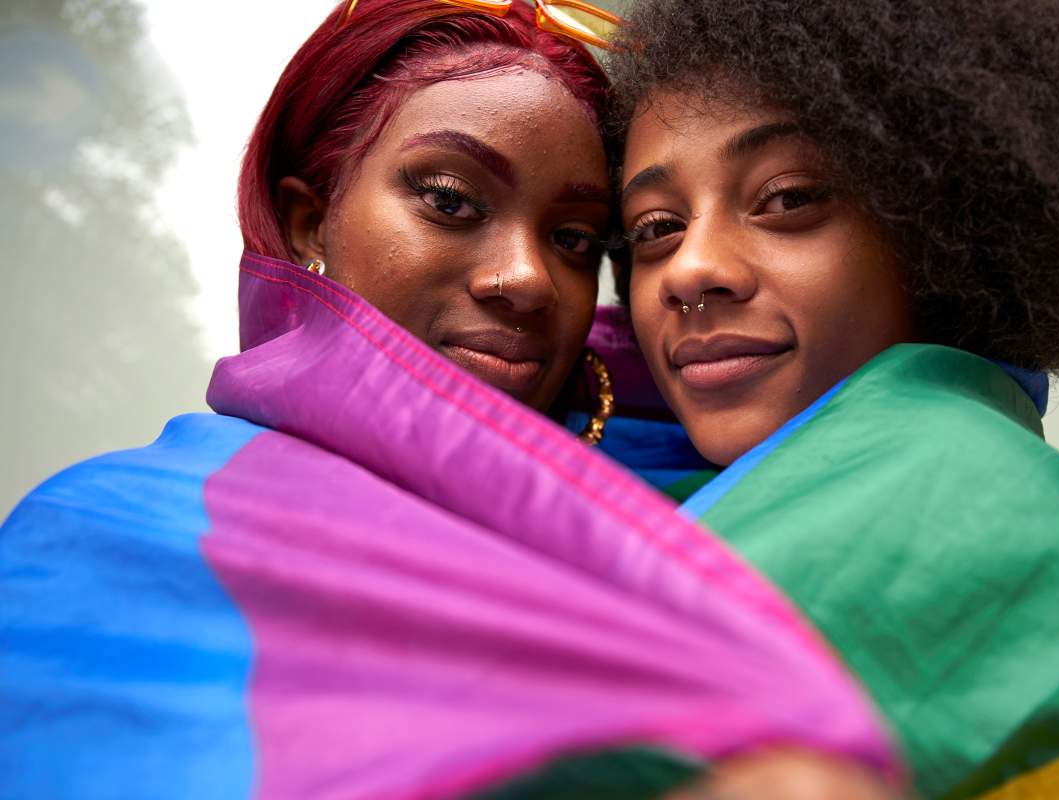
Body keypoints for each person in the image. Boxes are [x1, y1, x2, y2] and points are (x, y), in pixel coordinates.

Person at [1, 1, 901, 798]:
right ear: (310, 219)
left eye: (576, 238)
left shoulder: (744, 463)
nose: (527, 280)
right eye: (450, 200)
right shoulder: (107, 537)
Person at [609, 0, 1059, 797]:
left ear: (936, 228)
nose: (690, 268)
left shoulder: (960, 481)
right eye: (655, 228)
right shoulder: (631, 480)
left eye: (786, 197)